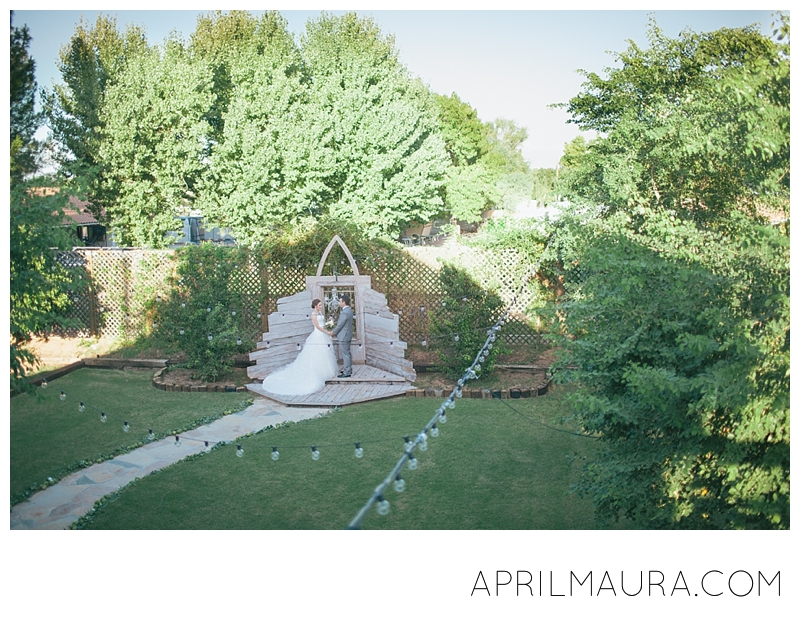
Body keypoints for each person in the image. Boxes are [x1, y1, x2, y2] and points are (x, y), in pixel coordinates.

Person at [261, 299, 338, 395]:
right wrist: (327, 331)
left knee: (326, 352)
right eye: (319, 305)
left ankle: (328, 370)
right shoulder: (313, 315)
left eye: (321, 305)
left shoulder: (320, 314)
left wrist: (328, 326)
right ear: (315, 306)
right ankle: (318, 372)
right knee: (317, 353)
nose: (321, 306)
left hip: (324, 335)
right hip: (318, 335)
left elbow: (323, 323)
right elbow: (318, 326)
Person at [330, 294, 354, 377]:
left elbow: (340, 325)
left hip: (344, 336)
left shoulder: (345, 312)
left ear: (344, 302)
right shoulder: (349, 311)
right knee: (347, 353)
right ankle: (348, 370)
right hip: (347, 335)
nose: (339, 303)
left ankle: (347, 372)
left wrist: (333, 332)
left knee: (346, 354)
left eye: (340, 301)